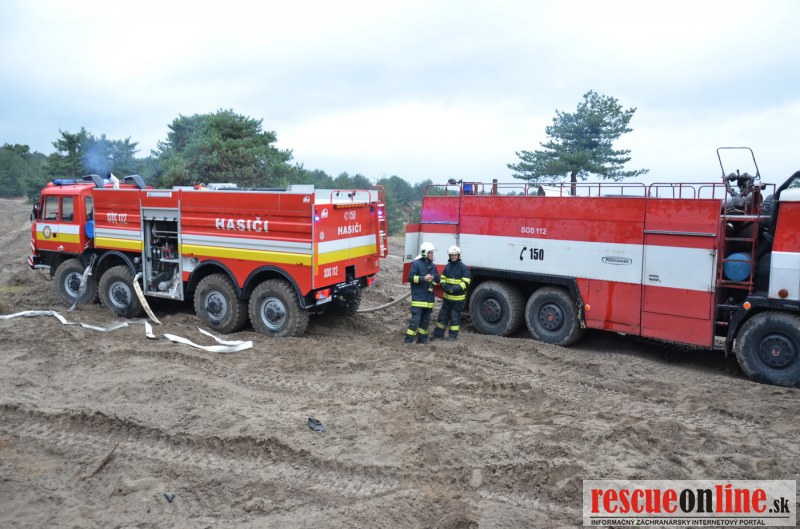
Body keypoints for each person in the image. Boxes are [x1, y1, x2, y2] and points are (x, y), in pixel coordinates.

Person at [431, 245, 471, 341]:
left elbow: (466, 282)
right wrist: (443, 284)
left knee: (455, 318)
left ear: (458, 255)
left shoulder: (463, 268)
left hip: (458, 300)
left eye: (455, 255)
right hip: (447, 298)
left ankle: (452, 337)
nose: (453, 257)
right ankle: (438, 335)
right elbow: (443, 278)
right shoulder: (447, 266)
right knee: (442, 317)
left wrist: (454, 289)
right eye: (452, 255)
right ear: (449, 256)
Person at [404, 242, 440, 345]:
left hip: (429, 300)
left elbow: (437, 279)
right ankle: (408, 341)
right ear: (424, 253)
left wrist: (436, 278)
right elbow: (411, 278)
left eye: (432, 252)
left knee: (425, 322)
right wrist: (423, 278)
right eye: (430, 252)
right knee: (415, 321)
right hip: (419, 299)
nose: (432, 254)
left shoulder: (432, 265)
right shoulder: (416, 264)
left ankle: (422, 340)